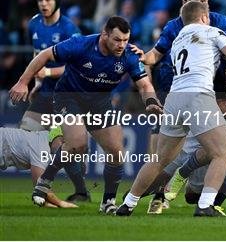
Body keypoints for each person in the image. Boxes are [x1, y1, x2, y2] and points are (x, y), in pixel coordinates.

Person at [116, 1, 226, 217]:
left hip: (175, 99)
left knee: (159, 159)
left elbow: (154, 58)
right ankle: (205, 206)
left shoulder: (178, 40)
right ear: (205, 17)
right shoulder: (213, 32)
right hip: (199, 96)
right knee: (223, 153)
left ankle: (128, 204)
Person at [9, 16, 162, 214]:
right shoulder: (80, 44)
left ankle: (107, 202)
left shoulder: (129, 54)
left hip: (99, 102)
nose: (121, 45)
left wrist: (150, 100)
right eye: (117, 39)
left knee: (117, 153)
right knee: (77, 144)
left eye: (125, 40)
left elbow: (144, 84)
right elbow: (44, 55)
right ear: (104, 34)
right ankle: (45, 181)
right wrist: (23, 82)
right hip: (69, 97)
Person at [146, 0, 226, 157]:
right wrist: (141, 58)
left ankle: (188, 177)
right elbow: (154, 55)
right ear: (184, 4)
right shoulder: (174, 26)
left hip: (213, 90)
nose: (200, 3)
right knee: (161, 155)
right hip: (175, 88)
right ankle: (159, 183)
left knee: (222, 151)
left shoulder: (222, 23)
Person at [25, 0, 90, 204]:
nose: (43, 3)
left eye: (48, 0)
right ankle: (42, 187)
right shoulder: (34, 24)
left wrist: (48, 72)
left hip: (66, 93)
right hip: (44, 92)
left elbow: (79, 64)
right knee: (25, 133)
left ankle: (81, 191)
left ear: (57, 2)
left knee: (60, 143)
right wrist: (37, 80)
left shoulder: (68, 28)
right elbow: (37, 55)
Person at [0, 127, 77, 208]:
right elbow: (40, 185)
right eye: (62, 142)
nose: (63, 148)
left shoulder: (45, 140)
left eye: (67, 146)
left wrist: (45, 203)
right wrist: (61, 203)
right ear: (54, 137)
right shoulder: (42, 147)